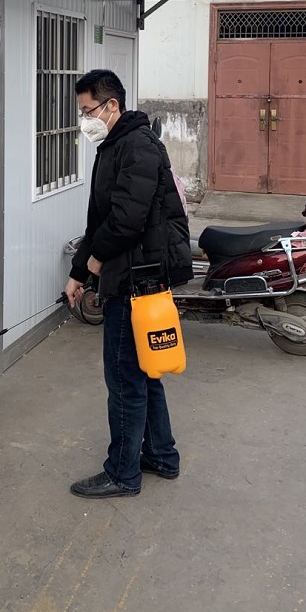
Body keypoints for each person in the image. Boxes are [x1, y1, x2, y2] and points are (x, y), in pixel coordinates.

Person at [65, 69, 193, 498]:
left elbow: (125, 221)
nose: (85, 120)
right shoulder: (116, 144)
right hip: (134, 272)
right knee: (144, 371)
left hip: (136, 278)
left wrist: (95, 262)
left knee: (125, 379)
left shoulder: (136, 147)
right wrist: (78, 272)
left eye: (88, 111)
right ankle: (160, 454)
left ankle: (123, 473)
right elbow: (99, 220)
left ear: (112, 105)